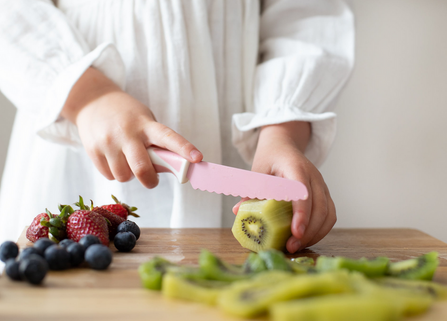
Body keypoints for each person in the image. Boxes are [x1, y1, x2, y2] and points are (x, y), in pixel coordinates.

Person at [0, 0, 354, 254]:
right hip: (74, 125)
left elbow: (308, 16)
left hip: (244, 140)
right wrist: (88, 96)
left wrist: (281, 131)